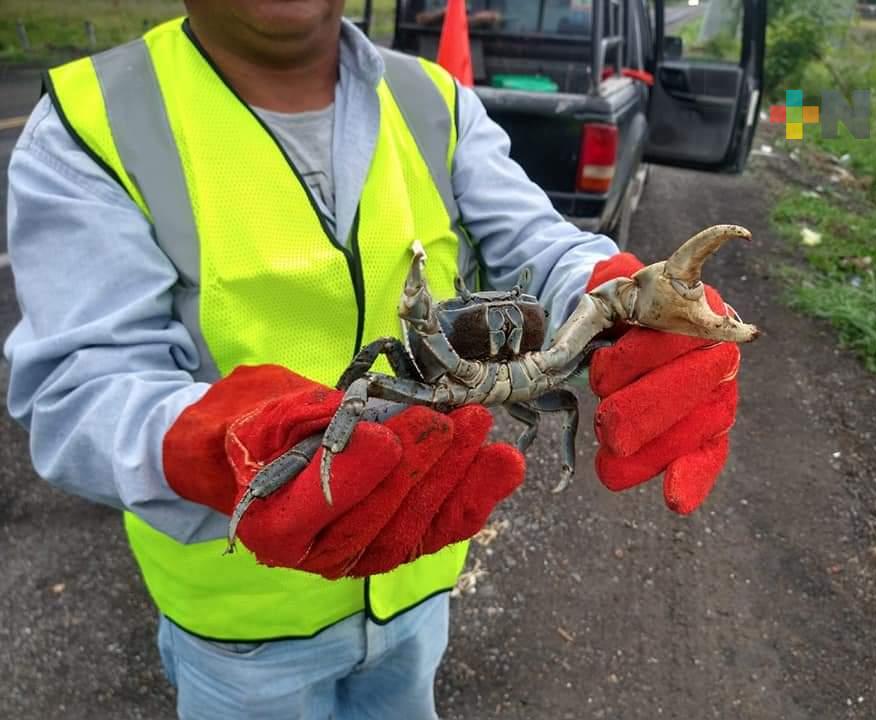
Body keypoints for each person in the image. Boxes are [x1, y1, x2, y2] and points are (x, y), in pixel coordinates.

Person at [4, 1, 741, 718]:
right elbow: (76, 385)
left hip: (419, 576)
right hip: (242, 626)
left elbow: (542, 248)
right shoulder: (94, 120)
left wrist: (622, 302)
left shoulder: (434, 100)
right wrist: (210, 447)